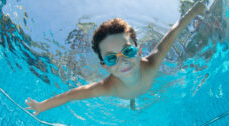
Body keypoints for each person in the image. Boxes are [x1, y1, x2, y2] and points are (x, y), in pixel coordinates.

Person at [25, 1, 206, 115]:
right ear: (105, 66)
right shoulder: (107, 87)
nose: (123, 61)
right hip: (129, 93)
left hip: (148, 82)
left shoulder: (152, 64)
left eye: (127, 52)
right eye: (112, 59)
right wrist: (42, 106)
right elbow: (72, 95)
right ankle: (133, 103)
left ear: (139, 50)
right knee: (132, 100)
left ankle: (134, 102)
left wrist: (194, 11)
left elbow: (172, 34)